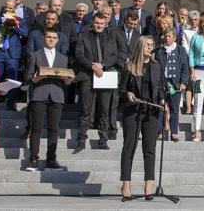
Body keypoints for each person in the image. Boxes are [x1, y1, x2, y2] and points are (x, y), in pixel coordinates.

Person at [119, 36, 165, 201]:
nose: (150, 47)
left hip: (151, 110)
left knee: (150, 148)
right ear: (140, 46)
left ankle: (149, 185)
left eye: (152, 45)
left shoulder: (156, 65)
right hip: (133, 110)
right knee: (129, 146)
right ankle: (126, 184)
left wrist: (161, 99)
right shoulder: (130, 66)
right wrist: (128, 94)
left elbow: (160, 87)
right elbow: (121, 89)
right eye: (148, 45)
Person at [74, 13, 126, 153]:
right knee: (86, 110)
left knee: (104, 110)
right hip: (88, 75)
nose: (99, 25)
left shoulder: (111, 37)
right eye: (97, 23)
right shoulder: (83, 36)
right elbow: (79, 54)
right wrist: (93, 66)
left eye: (101, 23)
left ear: (106, 23)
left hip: (105, 75)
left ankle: (103, 139)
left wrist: (102, 65)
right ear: (92, 22)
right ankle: (81, 140)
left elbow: (115, 55)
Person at [24, 28, 69, 171]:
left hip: (57, 95)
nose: (51, 39)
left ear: (58, 40)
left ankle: (51, 159)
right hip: (39, 94)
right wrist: (36, 77)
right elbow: (28, 77)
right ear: (44, 38)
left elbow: (67, 81)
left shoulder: (63, 58)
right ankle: (33, 159)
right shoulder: (35, 55)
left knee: (54, 129)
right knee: (36, 128)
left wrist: (67, 80)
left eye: (54, 37)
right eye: (48, 36)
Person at [0, 0, 29, 111]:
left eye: (10, 8)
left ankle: (11, 103)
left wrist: (14, 26)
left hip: (12, 54)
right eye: (6, 7)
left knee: (12, 80)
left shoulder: (20, 20)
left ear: (15, 9)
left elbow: (25, 34)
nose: (7, 9)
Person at [156, 28, 189, 142]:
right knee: (161, 107)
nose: (167, 38)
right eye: (165, 36)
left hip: (175, 84)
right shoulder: (159, 50)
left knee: (174, 108)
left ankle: (174, 132)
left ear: (174, 37)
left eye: (169, 36)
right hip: (162, 83)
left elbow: (185, 67)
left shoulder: (180, 50)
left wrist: (183, 82)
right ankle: (160, 132)